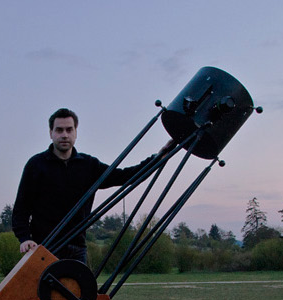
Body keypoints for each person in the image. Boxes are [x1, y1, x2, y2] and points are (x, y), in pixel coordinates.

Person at [12, 108, 171, 263]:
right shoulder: (36, 165)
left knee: (79, 290)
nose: (64, 135)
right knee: (42, 291)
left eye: (69, 129)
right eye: (59, 130)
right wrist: (25, 238)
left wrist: (158, 158)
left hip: (77, 248)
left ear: (76, 133)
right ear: (51, 133)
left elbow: (124, 176)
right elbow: (21, 207)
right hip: (43, 248)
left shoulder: (88, 165)